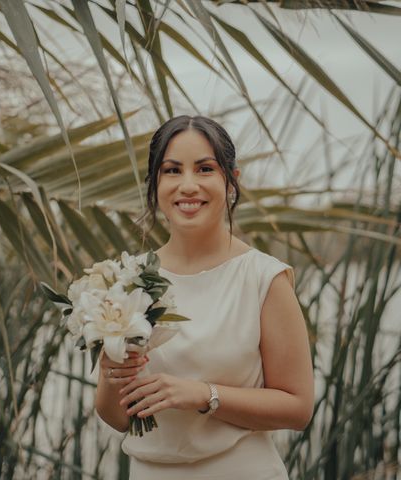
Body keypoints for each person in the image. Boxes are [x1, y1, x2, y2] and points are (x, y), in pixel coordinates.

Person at [94, 115, 314, 479]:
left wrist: (203, 395)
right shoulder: (128, 279)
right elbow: (117, 418)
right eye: (172, 170)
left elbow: (298, 407)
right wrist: (109, 370)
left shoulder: (263, 278)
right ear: (155, 183)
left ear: (231, 181)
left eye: (205, 168)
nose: (189, 185)